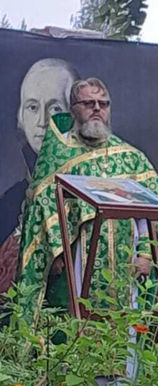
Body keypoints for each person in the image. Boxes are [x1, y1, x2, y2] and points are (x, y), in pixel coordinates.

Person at [16, 77, 158, 323]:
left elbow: (147, 214)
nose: (97, 109)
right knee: (77, 327)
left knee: (123, 333)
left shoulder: (130, 157)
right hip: (77, 262)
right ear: (73, 109)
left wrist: (145, 254)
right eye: (88, 103)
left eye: (103, 104)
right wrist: (52, 253)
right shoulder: (59, 154)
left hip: (125, 261)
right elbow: (42, 211)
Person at [0, 59, 80, 293]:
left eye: (55, 108)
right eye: (33, 107)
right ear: (20, 117)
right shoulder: (12, 199)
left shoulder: (87, 182)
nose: (42, 121)